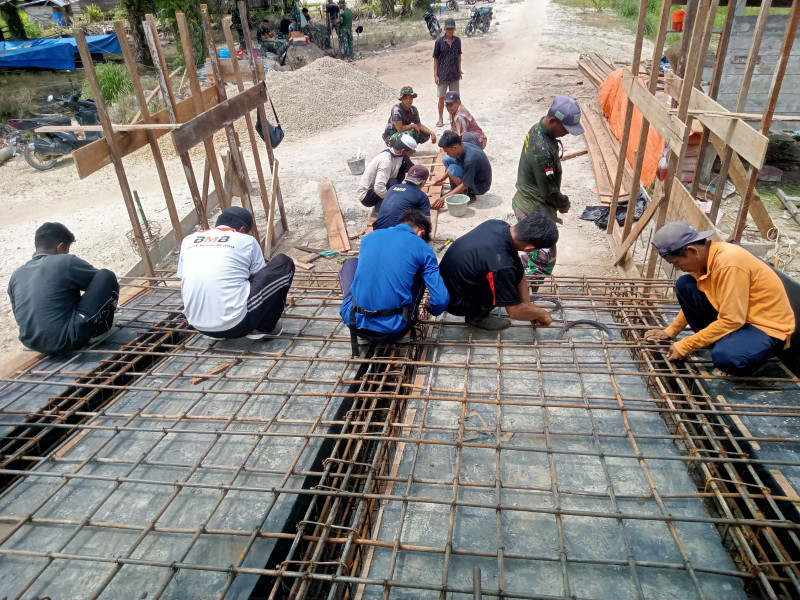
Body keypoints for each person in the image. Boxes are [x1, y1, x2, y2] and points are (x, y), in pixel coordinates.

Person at [644, 222, 795, 376]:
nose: (676, 268)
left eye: (676, 262)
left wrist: (686, 345)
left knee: (726, 358)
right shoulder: (704, 261)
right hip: (738, 317)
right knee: (685, 285)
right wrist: (671, 330)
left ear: (692, 250)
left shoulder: (728, 263)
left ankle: (749, 359)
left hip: (765, 327)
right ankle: (724, 341)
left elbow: (732, 320)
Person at [339, 209, 449, 354]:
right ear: (421, 233)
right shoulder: (422, 247)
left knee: (351, 263)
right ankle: (407, 332)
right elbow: (441, 299)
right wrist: (432, 308)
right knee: (420, 272)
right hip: (395, 330)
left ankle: (360, 333)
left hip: (355, 323)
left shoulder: (370, 237)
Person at [178, 207, 295, 340]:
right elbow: (258, 277)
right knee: (283, 263)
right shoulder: (246, 240)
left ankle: (215, 325)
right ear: (242, 230)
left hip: (198, 325)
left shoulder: (189, 240)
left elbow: (182, 278)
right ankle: (264, 327)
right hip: (238, 325)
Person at [8, 222, 119, 355]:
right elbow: (100, 284)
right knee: (106, 276)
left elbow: (18, 312)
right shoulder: (66, 261)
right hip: (69, 339)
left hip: (32, 342)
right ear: (60, 247)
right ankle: (100, 330)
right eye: (66, 251)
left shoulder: (16, 275)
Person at [439, 213, 558, 331]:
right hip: (454, 302)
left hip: (445, 284)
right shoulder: (501, 266)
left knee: (510, 272)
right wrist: (542, 314)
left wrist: (527, 303)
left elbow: (517, 266)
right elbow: (515, 312)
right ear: (529, 248)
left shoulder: (497, 225)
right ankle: (477, 317)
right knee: (503, 282)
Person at [512, 95, 583, 280]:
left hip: (527, 203)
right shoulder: (542, 148)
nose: (567, 133)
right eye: (565, 128)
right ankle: (526, 300)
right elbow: (549, 191)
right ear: (552, 121)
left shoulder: (537, 129)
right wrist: (564, 203)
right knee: (543, 261)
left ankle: (518, 287)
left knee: (532, 256)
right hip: (533, 207)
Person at [357, 133, 418, 210]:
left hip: (379, 189)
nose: (411, 155)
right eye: (411, 153)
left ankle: (387, 200)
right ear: (403, 151)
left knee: (400, 173)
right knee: (393, 182)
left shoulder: (399, 155)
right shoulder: (386, 161)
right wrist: (394, 200)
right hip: (367, 196)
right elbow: (378, 187)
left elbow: (412, 168)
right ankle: (381, 206)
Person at [434, 130, 492, 206]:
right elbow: (456, 164)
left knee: (452, 169)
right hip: (474, 175)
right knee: (447, 159)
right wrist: (441, 179)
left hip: (480, 186)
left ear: (455, 148)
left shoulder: (470, 160)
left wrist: (443, 198)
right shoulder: (462, 146)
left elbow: (464, 184)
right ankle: (453, 189)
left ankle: (468, 194)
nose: (447, 153)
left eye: (448, 151)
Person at [373, 165, 431, 230]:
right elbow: (426, 225)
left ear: (407, 177)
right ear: (424, 182)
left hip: (378, 231)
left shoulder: (392, 188)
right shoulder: (422, 196)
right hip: (398, 234)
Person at [433, 18, 462, 128]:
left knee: (455, 99)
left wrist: (459, 69)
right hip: (443, 74)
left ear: (454, 29)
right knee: (441, 97)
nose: (450, 30)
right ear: (444, 29)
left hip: (454, 73)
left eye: (452, 28)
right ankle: (440, 118)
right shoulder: (439, 42)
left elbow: (459, 56)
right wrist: (435, 75)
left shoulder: (457, 41)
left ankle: (453, 119)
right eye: (448, 29)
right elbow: (435, 59)